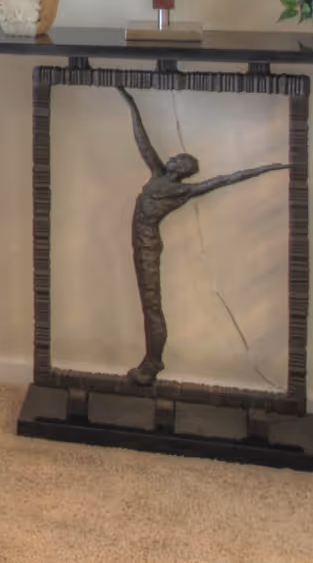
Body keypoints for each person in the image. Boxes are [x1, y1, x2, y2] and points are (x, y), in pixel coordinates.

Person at [117, 86, 288, 387]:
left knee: (151, 304)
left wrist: (267, 167)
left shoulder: (182, 190)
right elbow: (142, 141)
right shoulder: (157, 173)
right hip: (138, 243)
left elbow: (225, 179)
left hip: (147, 247)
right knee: (149, 303)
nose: (172, 157)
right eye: (175, 156)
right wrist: (129, 101)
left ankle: (153, 360)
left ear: (185, 170)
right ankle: (151, 359)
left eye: (179, 159)